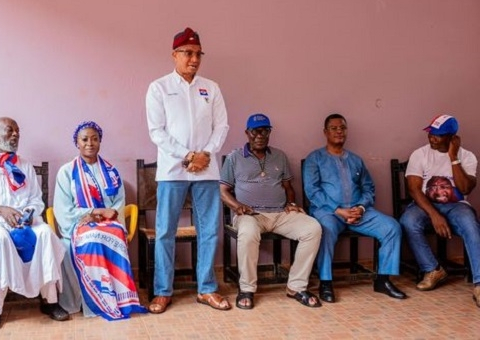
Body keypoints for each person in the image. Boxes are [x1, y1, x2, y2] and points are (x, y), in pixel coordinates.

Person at [145, 27, 230, 313]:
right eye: (188, 53)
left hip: (206, 170)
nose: (194, 59)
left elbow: (222, 126)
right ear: (175, 55)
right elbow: (157, 132)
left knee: (209, 231)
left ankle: (207, 289)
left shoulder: (211, 87)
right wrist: (188, 155)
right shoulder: (159, 88)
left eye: (198, 54)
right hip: (172, 171)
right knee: (165, 231)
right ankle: (162, 291)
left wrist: (205, 155)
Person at [0, 117, 68, 329]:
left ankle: (50, 300)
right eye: (9, 131)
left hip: (23, 221)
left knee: (45, 233)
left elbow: (36, 199)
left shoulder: (24, 165)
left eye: (17, 131)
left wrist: (27, 214)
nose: (15, 135)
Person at [220, 114, 322, 309]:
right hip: (250, 215)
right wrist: (236, 206)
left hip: (280, 214)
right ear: (247, 133)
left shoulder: (280, 156)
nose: (260, 135)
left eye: (265, 131)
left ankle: (296, 287)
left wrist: (291, 202)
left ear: (269, 133)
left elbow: (288, 187)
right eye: (255, 131)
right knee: (248, 232)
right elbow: (223, 191)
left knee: (312, 228)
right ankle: (247, 289)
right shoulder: (234, 158)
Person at [303, 113, 406, 302]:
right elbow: (312, 191)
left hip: (359, 212)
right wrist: (338, 210)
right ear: (325, 132)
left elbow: (369, 188)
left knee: (392, 227)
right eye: (334, 128)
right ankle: (325, 282)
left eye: (342, 128)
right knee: (324, 230)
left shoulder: (356, 160)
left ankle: (383, 280)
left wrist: (360, 208)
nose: (339, 131)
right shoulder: (314, 158)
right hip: (329, 212)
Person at [53, 121, 147, 320]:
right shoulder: (66, 172)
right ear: (76, 143)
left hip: (108, 223)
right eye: (85, 139)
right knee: (92, 236)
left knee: (108, 234)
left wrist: (106, 214)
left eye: (94, 139)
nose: (90, 143)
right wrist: (93, 212)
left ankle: (118, 299)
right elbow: (63, 210)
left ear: (100, 142)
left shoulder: (112, 172)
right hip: (79, 224)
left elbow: (118, 205)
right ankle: (94, 301)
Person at [399, 115, 480, 307]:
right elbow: (414, 190)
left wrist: (453, 157)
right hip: (424, 204)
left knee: (471, 225)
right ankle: (433, 269)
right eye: (431, 133)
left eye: (438, 135)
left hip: (456, 206)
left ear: (452, 137)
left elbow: (466, 188)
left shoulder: (467, 157)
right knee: (408, 221)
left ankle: (479, 283)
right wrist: (434, 215)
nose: (432, 138)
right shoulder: (420, 154)